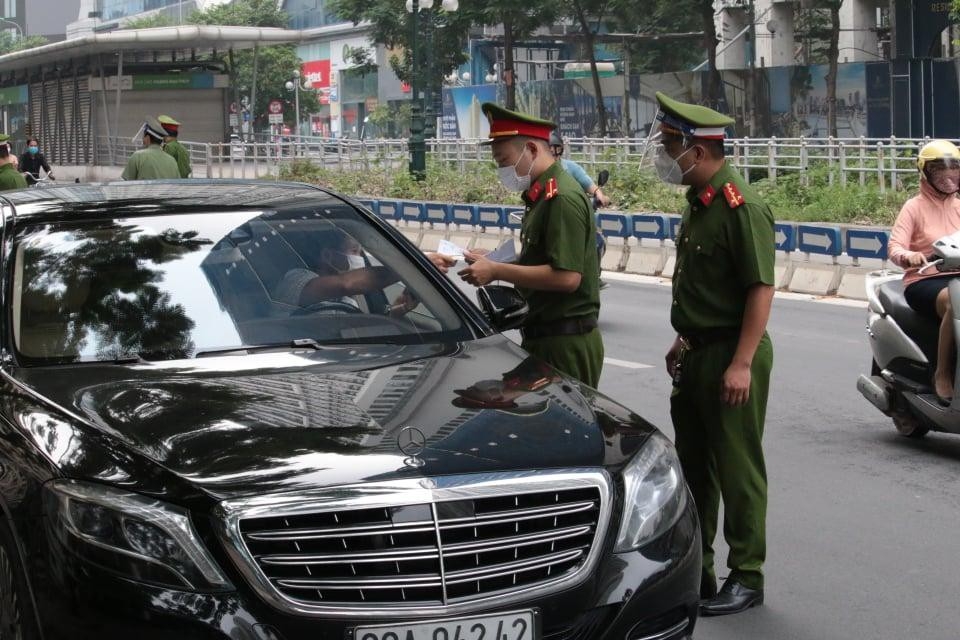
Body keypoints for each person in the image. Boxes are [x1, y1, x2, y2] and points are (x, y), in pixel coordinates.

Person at [656, 91, 774, 616]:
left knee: (736, 468)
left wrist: (742, 362)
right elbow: (706, 286)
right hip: (698, 353)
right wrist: (683, 338)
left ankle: (746, 574)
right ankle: (698, 571)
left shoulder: (740, 206)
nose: (664, 156)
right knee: (694, 468)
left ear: (697, 151)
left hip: (732, 354)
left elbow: (759, 289)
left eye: (669, 146)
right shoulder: (699, 204)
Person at [458, 103, 603, 388]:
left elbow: (567, 277)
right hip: (544, 338)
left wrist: (498, 270)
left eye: (505, 161)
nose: (502, 170)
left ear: (532, 150)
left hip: (564, 344)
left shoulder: (561, 197)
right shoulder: (541, 194)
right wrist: (495, 259)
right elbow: (544, 257)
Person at [888, 139, 960, 404]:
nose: (948, 174)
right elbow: (895, 246)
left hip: (957, 277)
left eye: (953, 167)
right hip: (925, 279)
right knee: (957, 304)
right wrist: (910, 256)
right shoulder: (914, 207)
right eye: (939, 168)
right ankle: (941, 374)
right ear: (925, 172)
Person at [274, 230, 448, 317]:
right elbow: (346, 284)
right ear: (328, 255)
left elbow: (354, 326)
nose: (360, 259)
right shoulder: (296, 280)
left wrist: (399, 309)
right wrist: (412, 267)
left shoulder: (347, 299)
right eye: (355, 251)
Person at [549, 130, 610, 206]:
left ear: (560, 151)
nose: (553, 157)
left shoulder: (571, 167)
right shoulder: (538, 172)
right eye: (549, 152)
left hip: (572, 208)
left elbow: (589, 185)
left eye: (556, 151)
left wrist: (599, 194)